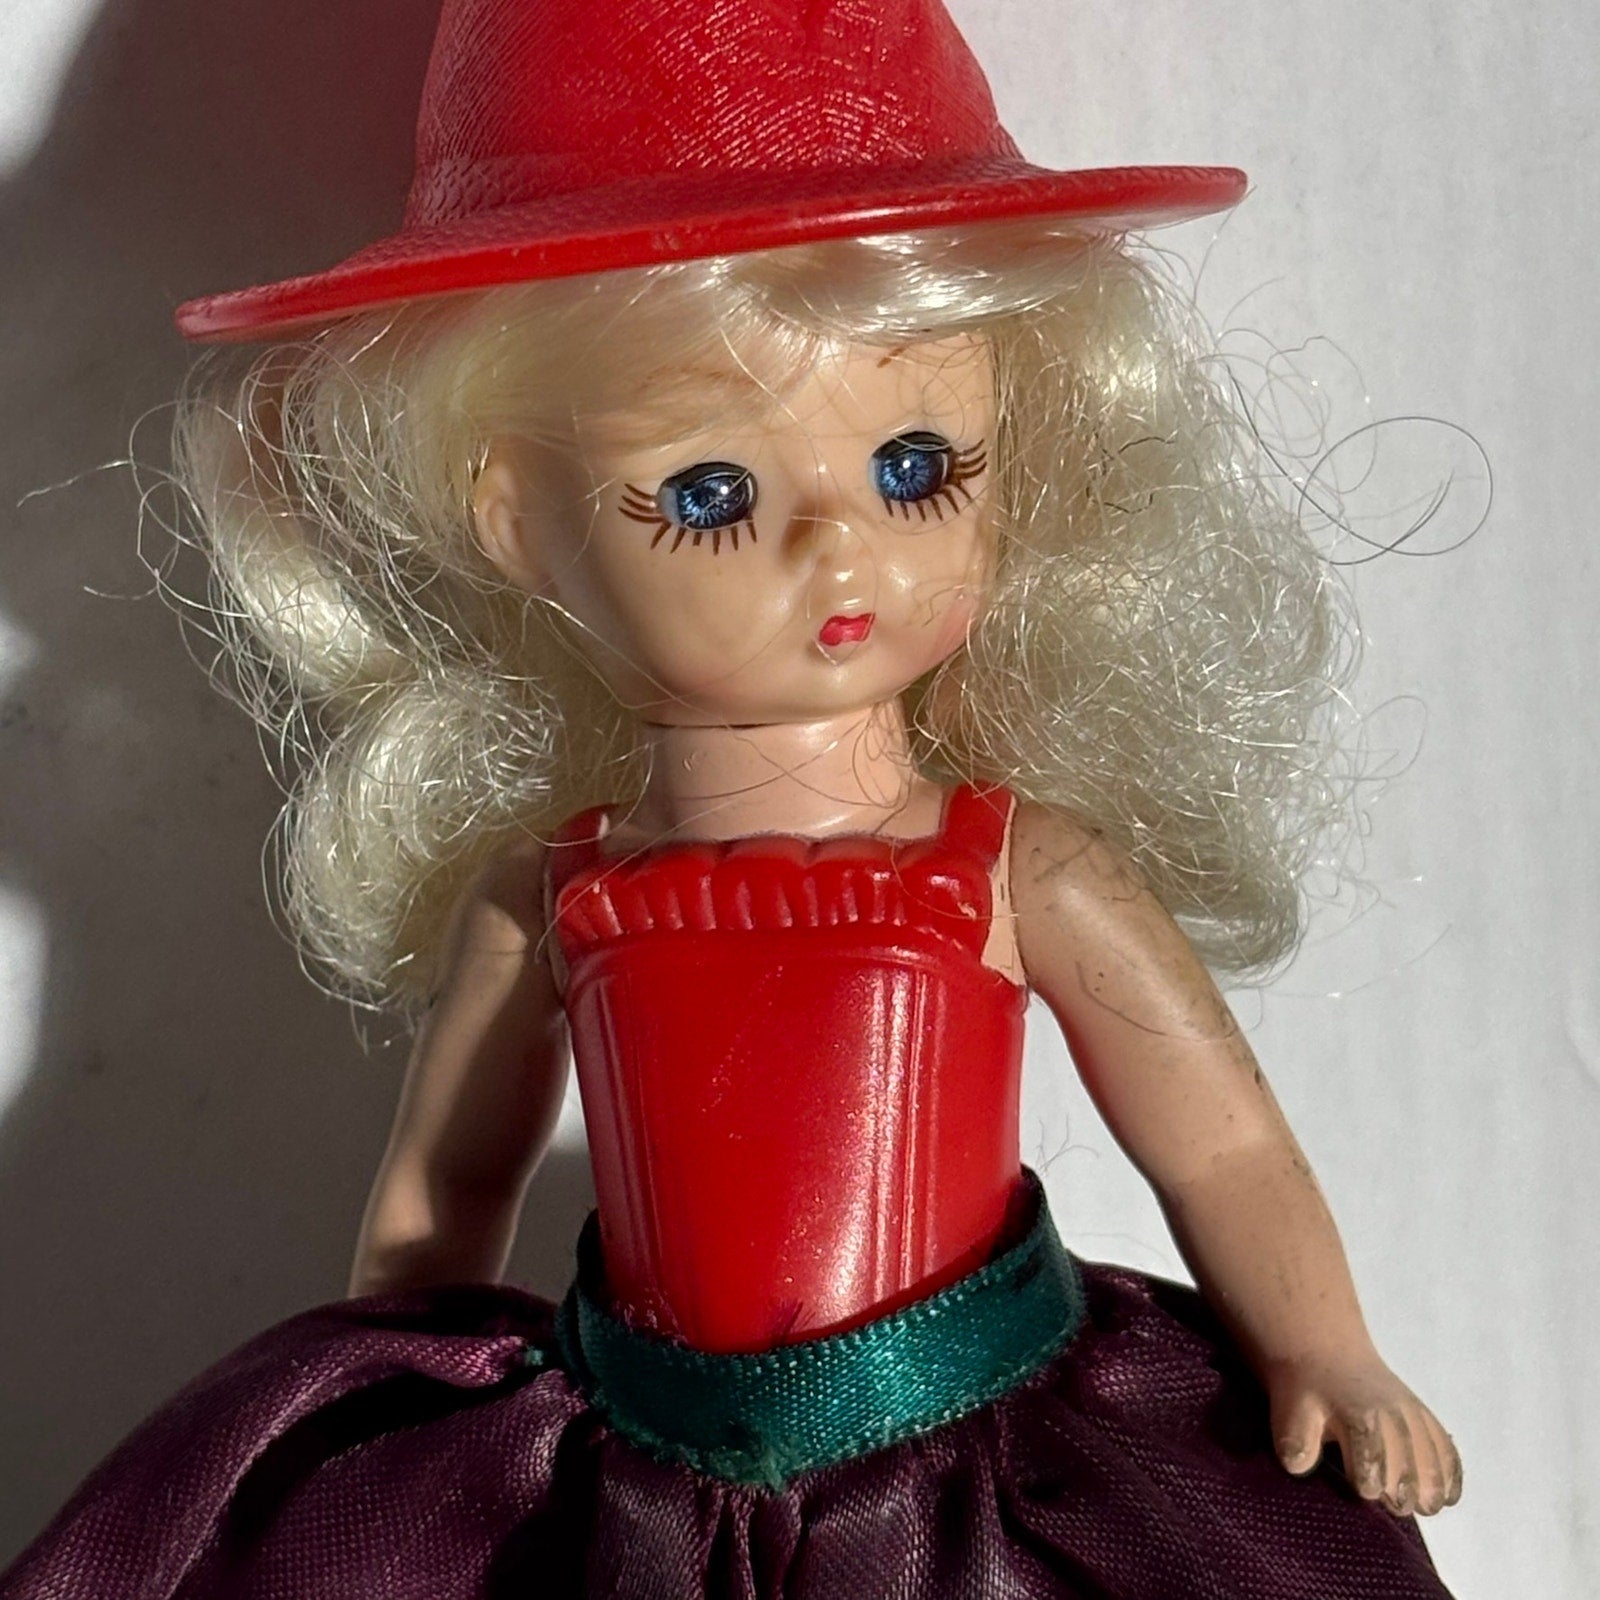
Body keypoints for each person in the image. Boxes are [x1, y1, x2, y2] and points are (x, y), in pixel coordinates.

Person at [0, 0, 1462, 1594]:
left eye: (917, 468)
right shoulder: (551, 898)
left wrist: (1327, 1351)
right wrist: (378, 1399)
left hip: (976, 1481)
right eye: (710, 495)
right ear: (516, 516)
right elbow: (446, 1182)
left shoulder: (1021, 869)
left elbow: (1221, 1145)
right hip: (646, 1475)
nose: (841, 551)